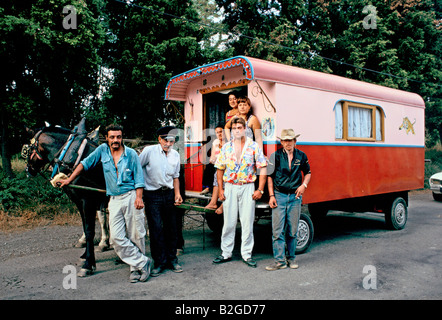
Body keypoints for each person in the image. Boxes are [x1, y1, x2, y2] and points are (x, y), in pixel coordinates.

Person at [58, 124, 151, 283]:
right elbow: (84, 164)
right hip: (113, 199)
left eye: (119, 137)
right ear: (107, 138)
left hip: (130, 196)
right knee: (115, 238)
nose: (116, 140)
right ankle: (143, 262)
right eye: (112, 137)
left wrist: (139, 198)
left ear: (122, 137)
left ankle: (135, 269)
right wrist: (69, 179)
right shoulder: (102, 150)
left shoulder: (131, 154)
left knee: (136, 234)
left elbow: (139, 178)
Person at [213, 117, 267, 268]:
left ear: (245, 129)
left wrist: (260, 189)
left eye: (239, 127)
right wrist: (221, 189)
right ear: (231, 131)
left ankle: (247, 254)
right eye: (234, 128)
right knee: (229, 222)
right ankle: (226, 253)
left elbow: (262, 167)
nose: (237, 130)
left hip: (247, 186)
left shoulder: (253, 146)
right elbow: (219, 168)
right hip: (230, 186)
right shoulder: (226, 147)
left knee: (247, 221)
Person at [139, 126, 183, 276]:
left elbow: (175, 177)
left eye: (171, 141)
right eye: (165, 140)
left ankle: (172, 260)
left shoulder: (175, 155)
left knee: (172, 228)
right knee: (156, 229)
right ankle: (159, 262)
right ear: (159, 139)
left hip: (169, 194)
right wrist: (139, 194)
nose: (168, 144)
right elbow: (138, 169)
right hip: (152, 195)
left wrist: (177, 194)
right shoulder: (149, 151)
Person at [266, 129, 311, 271]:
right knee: (277, 231)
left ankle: (291, 259)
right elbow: (270, 177)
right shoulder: (276, 156)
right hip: (279, 195)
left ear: (295, 142)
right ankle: (280, 261)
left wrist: (304, 185)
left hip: (295, 197)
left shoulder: (301, 156)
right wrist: (271, 195)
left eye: (290, 140)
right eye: (285, 141)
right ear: (281, 142)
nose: (287, 143)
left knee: (292, 230)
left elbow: (308, 173)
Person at [205, 124, 225, 213]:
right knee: (209, 167)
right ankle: (208, 189)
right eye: (217, 133)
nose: (219, 134)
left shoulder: (228, 142)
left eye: (221, 132)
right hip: (218, 164)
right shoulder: (216, 142)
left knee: (218, 172)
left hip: (225, 165)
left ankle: (220, 203)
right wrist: (212, 160)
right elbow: (213, 156)